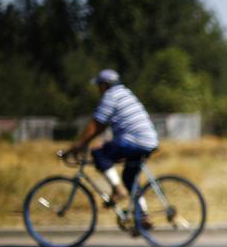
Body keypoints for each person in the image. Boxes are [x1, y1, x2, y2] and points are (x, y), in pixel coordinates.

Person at [68, 69, 159, 214]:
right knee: (129, 179)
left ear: (104, 85)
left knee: (99, 154)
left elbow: (97, 125)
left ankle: (118, 190)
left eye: (99, 85)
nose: (98, 89)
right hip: (148, 140)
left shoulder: (111, 96)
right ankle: (142, 217)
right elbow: (104, 126)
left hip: (135, 140)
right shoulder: (125, 93)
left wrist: (79, 144)